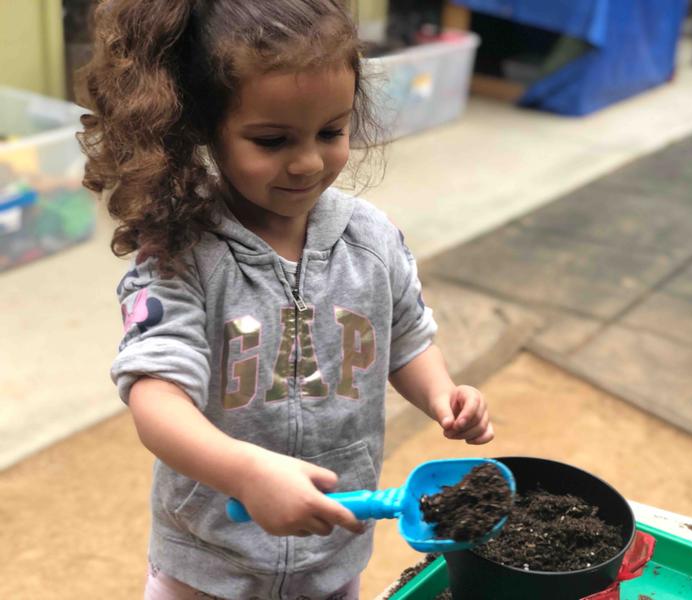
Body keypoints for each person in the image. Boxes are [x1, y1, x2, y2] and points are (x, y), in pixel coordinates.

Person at [76, 1, 494, 598]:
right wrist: (244, 473)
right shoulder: (179, 254)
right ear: (202, 127)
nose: (307, 162)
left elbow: (405, 336)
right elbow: (155, 397)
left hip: (334, 549)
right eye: (271, 140)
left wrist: (442, 394)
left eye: (331, 131)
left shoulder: (372, 241)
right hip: (207, 564)